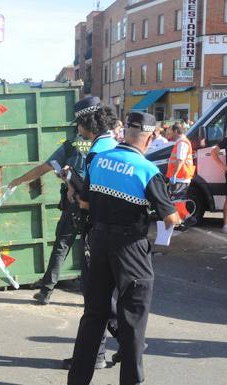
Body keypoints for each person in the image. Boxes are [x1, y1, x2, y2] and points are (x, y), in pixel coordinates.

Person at [67, 111, 181, 385]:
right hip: (130, 248)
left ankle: (78, 381)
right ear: (151, 136)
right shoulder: (147, 170)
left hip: (98, 241)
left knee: (94, 314)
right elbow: (170, 218)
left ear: (125, 132)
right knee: (133, 319)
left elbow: (84, 203)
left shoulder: (99, 160)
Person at [8, 96, 117, 306]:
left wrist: (20, 180)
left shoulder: (72, 145)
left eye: (79, 123)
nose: (77, 127)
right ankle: (95, 296)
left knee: (62, 246)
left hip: (77, 204)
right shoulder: (112, 145)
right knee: (95, 250)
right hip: (99, 207)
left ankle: (46, 291)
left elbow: (47, 167)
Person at [166, 122, 196, 229]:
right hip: (181, 176)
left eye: (170, 131)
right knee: (178, 201)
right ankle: (182, 221)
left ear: (175, 131)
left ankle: (187, 218)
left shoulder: (182, 143)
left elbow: (180, 160)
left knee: (176, 200)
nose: (169, 134)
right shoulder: (181, 142)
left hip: (180, 177)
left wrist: (174, 175)